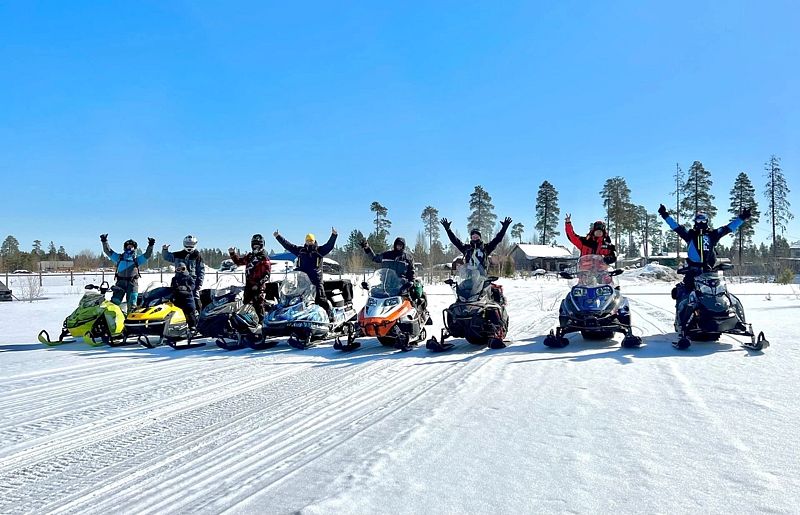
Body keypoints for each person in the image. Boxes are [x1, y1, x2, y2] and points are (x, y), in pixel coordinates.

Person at [658, 203, 752, 303]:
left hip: (710, 271)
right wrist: (665, 215)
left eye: (703, 220)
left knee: (720, 294)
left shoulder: (713, 234)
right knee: (683, 293)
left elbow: (728, 228)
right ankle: (682, 315)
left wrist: (742, 218)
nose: (701, 222)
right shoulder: (690, 234)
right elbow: (676, 227)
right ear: (695, 222)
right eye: (699, 220)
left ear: (707, 221)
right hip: (693, 271)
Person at [440, 216, 512, 303]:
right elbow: (455, 241)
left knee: (489, 301)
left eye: (476, 236)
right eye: (473, 236)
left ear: (480, 237)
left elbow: (497, 239)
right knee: (460, 296)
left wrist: (504, 228)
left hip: (482, 279)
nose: (475, 237)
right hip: (468, 279)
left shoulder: (486, 248)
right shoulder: (466, 249)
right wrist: (448, 229)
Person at [274, 228, 338, 313]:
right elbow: (288, 246)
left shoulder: (319, 251)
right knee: (299, 301)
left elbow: (329, 246)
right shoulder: (301, 251)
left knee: (321, 299)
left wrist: (334, 235)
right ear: (305, 241)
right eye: (308, 240)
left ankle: (329, 314)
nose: (309, 242)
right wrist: (278, 237)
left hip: (316, 281)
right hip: (303, 281)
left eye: (311, 240)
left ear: (314, 241)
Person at [361, 237, 427, 311]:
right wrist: (367, 248)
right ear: (395, 245)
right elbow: (375, 258)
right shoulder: (387, 255)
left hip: (401, 285)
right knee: (376, 298)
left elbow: (411, 270)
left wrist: (411, 281)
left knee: (411, 298)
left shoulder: (407, 258)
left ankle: (418, 313)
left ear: (403, 246)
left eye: (401, 245)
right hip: (386, 284)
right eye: (397, 245)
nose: (399, 246)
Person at [101, 234, 155, 311]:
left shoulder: (137, 260)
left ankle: (131, 322)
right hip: (120, 284)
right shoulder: (119, 258)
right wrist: (104, 241)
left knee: (132, 305)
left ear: (134, 248)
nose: (130, 248)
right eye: (128, 246)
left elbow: (147, 255)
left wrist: (151, 245)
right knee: (114, 303)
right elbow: (108, 251)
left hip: (132, 284)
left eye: (132, 246)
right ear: (125, 247)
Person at [228, 234, 272, 320]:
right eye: (254, 245)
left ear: (262, 245)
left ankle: (261, 325)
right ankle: (246, 326)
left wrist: (258, 284)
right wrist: (232, 254)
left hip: (258, 287)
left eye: (258, 245)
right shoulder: (250, 256)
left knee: (258, 306)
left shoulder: (264, 258)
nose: (256, 247)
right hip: (249, 285)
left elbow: (267, 275)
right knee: (246, 306)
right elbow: (239, 262)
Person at [162, 235, 205, 310]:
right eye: (187, 244)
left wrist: (199, 283)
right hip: (179, 281)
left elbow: (201, 270)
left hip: (192, 282)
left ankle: (198, 317)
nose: (189, 246)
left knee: (195, 300)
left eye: (191, 244)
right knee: (177, 299)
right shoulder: (178, 254)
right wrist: (165, 250)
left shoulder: (197, 255)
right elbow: (167, 257)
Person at [171, 261, 198, 333]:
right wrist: (175, 289)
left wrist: (187, 288)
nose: (181, 271)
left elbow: (193, 286)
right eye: (179, 269)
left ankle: (193, 326)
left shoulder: (189, 277)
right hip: (178, 298)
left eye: (183, 269)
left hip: (188, 298)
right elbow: (172, 287)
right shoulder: (174, 279)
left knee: (190, 311)